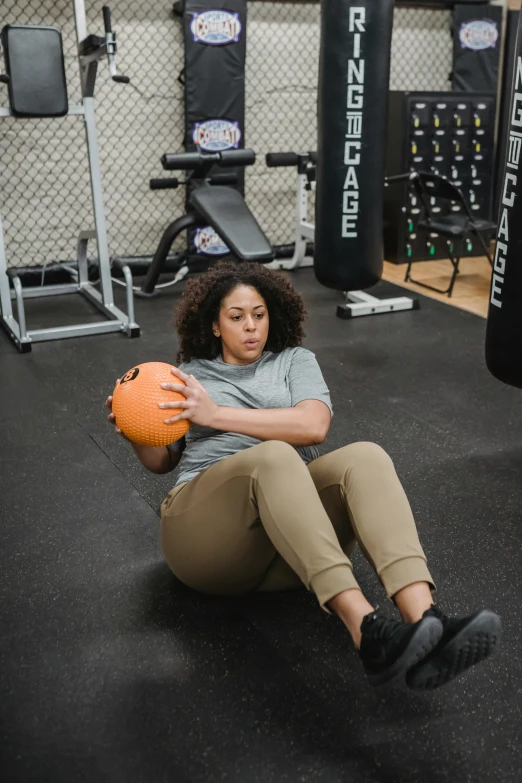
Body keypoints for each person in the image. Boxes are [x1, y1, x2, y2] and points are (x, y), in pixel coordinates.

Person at [106, 260, 502, 689]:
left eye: (258, 314)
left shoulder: (296, 362)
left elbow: (313, 426)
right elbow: (162, 462)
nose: (251, 327)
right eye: (236, 318)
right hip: (205, 542)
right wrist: (134, 431)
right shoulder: (191, 378)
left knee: (365, 456)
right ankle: (365, 628)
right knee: (275, 457)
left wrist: (215, 413)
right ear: (216, 326)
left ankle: (427, 623)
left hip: (284, 551)